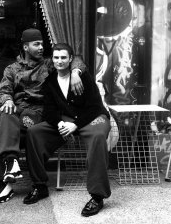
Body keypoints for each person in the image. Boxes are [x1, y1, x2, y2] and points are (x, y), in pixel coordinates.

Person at [0, 28, 87, 203]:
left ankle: (5, 182)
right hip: (17, 110)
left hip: (39, 112)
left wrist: (75, 73)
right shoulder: (12, 69)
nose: (41, 47)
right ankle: (11, 164)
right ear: (26, 47)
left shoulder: (49, 64)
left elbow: (77, 60)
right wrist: (7, 101)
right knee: (5, 114)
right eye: (37, 44)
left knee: (5, 134)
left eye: (42, 43)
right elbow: (3, 91)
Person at [24, 43, 111, 217]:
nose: (59, 61)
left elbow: (95, 106)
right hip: (66, 120)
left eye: (63, 57)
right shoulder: (49, 81)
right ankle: (40, 186)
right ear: (52, 59)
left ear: (71, 59)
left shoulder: (82, 76)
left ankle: (97, 196)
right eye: (56, 57)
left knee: (98, 137)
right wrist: (59, 124)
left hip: (93, 117)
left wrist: (76, 124)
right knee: (34, 133)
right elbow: (49, 110)